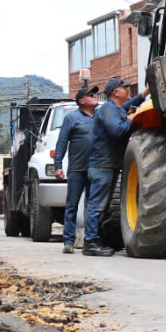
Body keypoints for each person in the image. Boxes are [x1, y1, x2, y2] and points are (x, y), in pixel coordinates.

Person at [83, 76, 147, 257]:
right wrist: (132, 118)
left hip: (108, 165)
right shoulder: (107, 110)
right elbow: (117, 130)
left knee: (102, 205)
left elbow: (130, 105)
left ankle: (96, 240)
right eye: (125, 88)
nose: (127, 90)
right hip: (102, 165)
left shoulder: (115, 108)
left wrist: (146, 93)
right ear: (115, 92)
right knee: (97, 205)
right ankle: (90, 243)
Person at [53, 84, 98, 254]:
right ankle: (68, 241)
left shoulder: (100, 116)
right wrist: (58, 165)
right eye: (90, 94)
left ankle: (90, 240)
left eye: (95, 93)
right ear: (81, 100)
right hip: (77, 169)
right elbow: (62, 143)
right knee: (72, 204)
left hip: (96, 168)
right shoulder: (72, 118)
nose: (95, 95)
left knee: (92, 206)